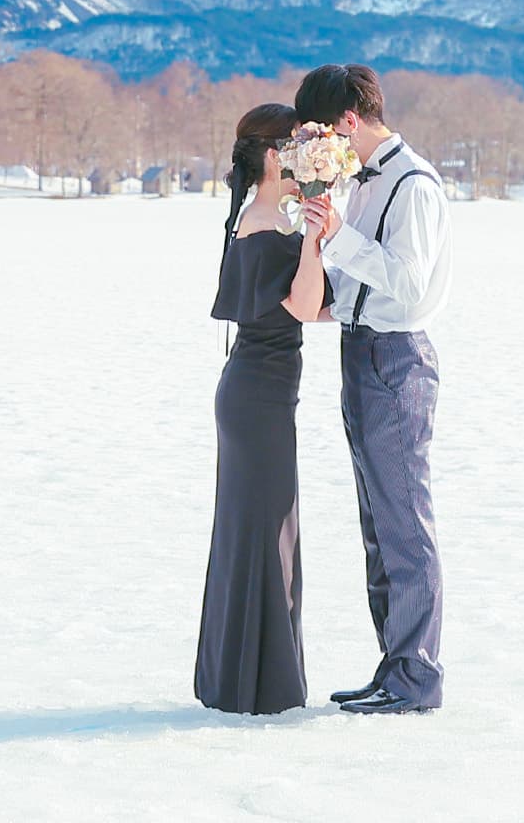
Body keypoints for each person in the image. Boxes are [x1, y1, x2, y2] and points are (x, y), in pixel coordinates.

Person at [295, 63, 452, 715]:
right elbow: (364, 277)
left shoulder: (412, 184)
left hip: (395, 360)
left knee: (403, 526)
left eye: (318, 131)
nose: (314, 142)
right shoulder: (361, 180)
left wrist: (337, 236)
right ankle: (395, 667)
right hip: (360, 350)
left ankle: (416, 678)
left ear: (348, 123)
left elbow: (408, 285)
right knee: (377, 527)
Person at [194, 103, 337, 716]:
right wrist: (313, 238)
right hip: (260, 397)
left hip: (253, 390)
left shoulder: (256, 213)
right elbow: (305, 307)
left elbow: (298, 309)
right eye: (301, 144)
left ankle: (239, 680)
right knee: (268, 533)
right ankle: (260, 687)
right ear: (278, 156)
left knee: (254, 533)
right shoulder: (274, 222)